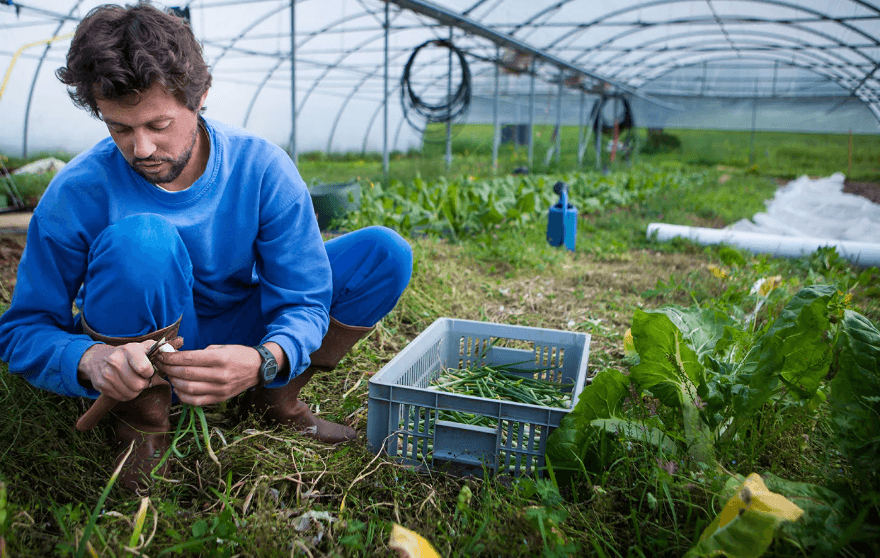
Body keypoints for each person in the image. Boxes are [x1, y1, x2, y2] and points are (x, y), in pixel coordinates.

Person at [0, 2, 412, 493]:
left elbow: (303, 296)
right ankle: (142, 426)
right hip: (140, 347)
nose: (142, 150)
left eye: (158, 125)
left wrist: (266, 358)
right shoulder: (77, 191)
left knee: (383, 255)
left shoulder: (261, 168)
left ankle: (276, 401)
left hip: (238, 328)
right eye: (120, 129)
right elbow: (24, 328)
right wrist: (89, 361)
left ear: (200, 97)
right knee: (142, 240)